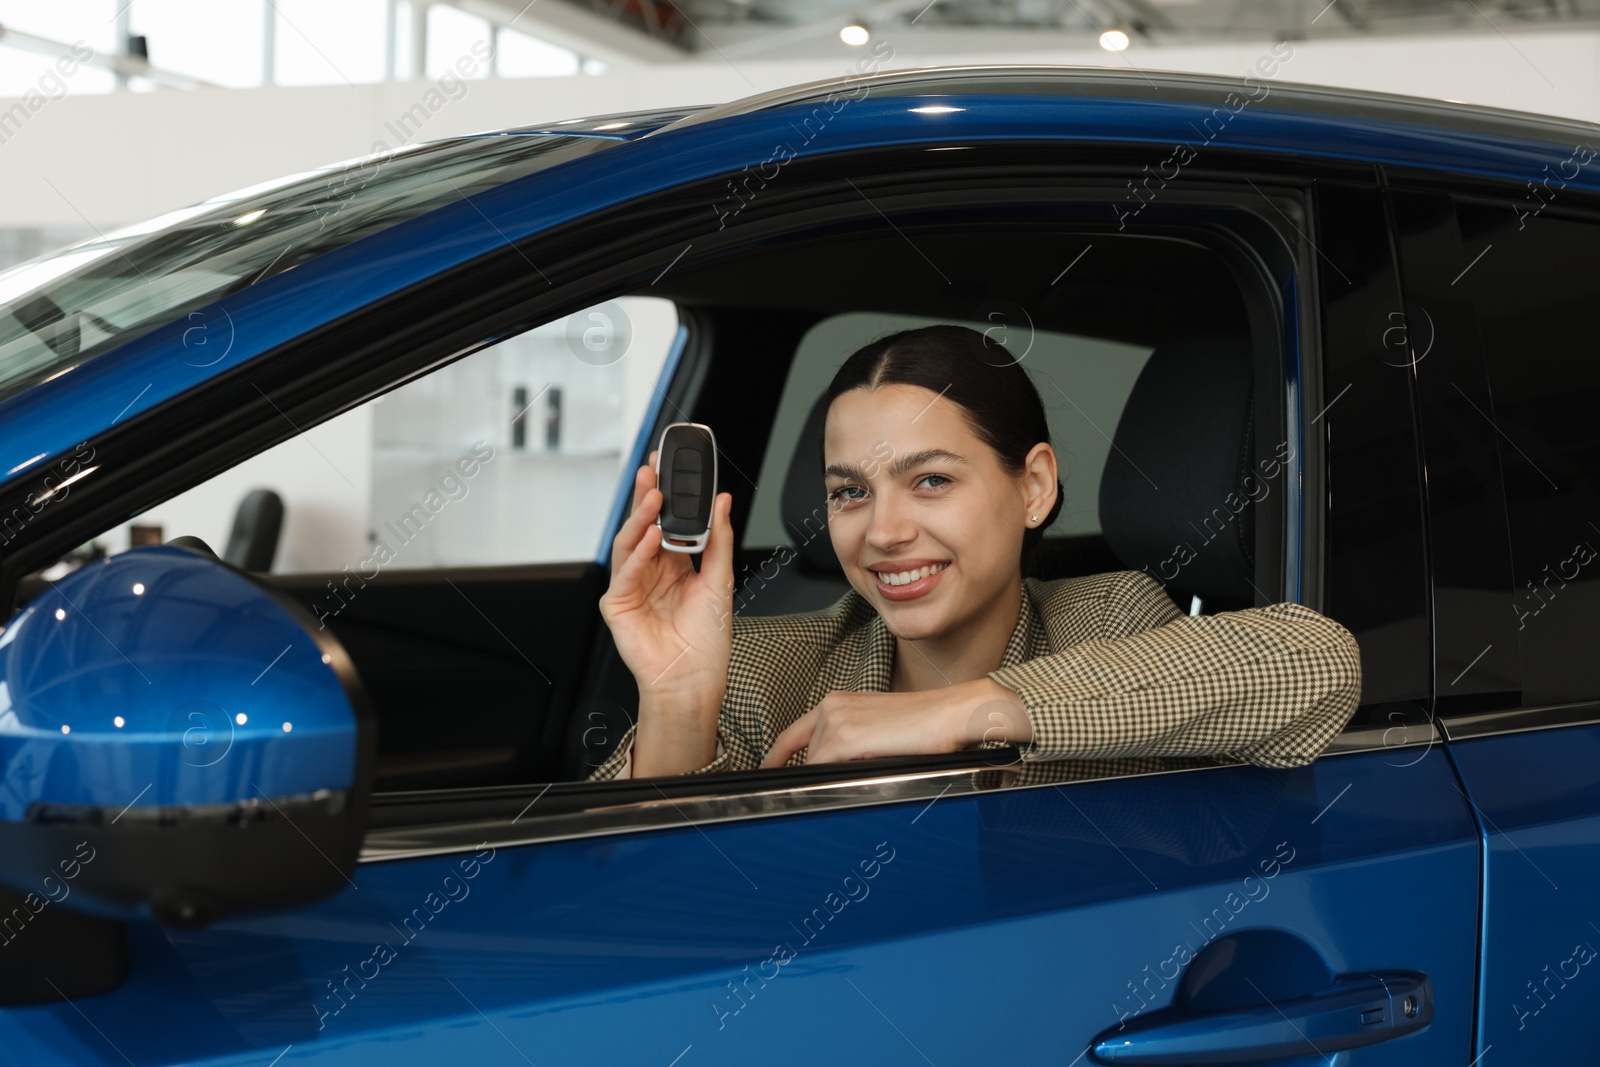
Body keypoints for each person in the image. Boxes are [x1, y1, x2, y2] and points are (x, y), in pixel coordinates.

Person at [587, 324, 1361, 781]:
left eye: (929, 480)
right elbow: (641, 921)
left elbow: (1315, 660)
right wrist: (680, 701)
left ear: (1034, 487)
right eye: (850, 491)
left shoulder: (1108, 618)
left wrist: (955, 714)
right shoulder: (759, 671)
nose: (883, 532)